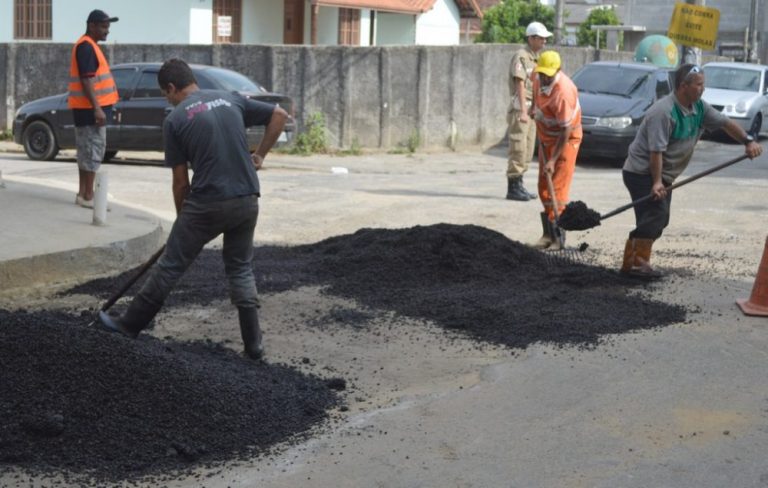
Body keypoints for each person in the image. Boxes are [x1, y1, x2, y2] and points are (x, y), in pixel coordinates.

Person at [99, 58, 288, 360]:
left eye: (165, 94)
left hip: (207, 203)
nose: (167, 100)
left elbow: (180, 183)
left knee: (171, 265)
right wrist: (260, 155)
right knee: (240, 267)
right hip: (247, 197)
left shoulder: (175, 120)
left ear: (171, 87)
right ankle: (254, 345)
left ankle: (129, 324)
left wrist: (182, 221)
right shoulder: (230, 98)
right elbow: (279, 115)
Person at [621, 63, 763, 278]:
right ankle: (635, 264)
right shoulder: (663, 112)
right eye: (698, 85)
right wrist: (657, 182)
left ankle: (634, 262)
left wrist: (748, 141)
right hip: (641, 172)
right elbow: (656, 151)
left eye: (703, 84)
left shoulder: (700, 108)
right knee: (655, 216)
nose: (702, 89)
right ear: (683, 86)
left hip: (662, 174)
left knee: (659, 219)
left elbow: (725, 123)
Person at [530, 50, 582, 250]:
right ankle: (547, 234)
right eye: (542, 74)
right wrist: (533, 109)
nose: (544, 78)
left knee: (558, 189)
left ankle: (558, 238)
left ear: (558, 70)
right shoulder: (537, 78)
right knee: (543, 185)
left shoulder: (564, 92)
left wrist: (553, 160)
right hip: (547, 139)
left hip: (566, 140)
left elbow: (565, 130)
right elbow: (535, 96)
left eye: (548, 75)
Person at [68, 9, 119, 208]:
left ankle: (83, 194)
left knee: (86, 151)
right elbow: (86, 80)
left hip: (85, 109)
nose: (107, 31)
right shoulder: (87, 47)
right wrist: (97, 108)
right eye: (104, 27)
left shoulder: (87, 45)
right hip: (91, 111)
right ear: (92, 26)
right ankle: (89, 196)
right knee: (93, 151)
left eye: (108, 27)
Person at [505, 21, 553, 201]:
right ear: (531, 38)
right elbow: (519, 83)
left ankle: (520, 184)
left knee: (528, 147)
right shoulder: (522, 57)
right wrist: (524, 111)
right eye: (541, 38)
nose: (544, 42)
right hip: (521, 106)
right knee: (518, 146)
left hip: (532, 107)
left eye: (545, 39)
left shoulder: (536, 58)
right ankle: (513, 186)